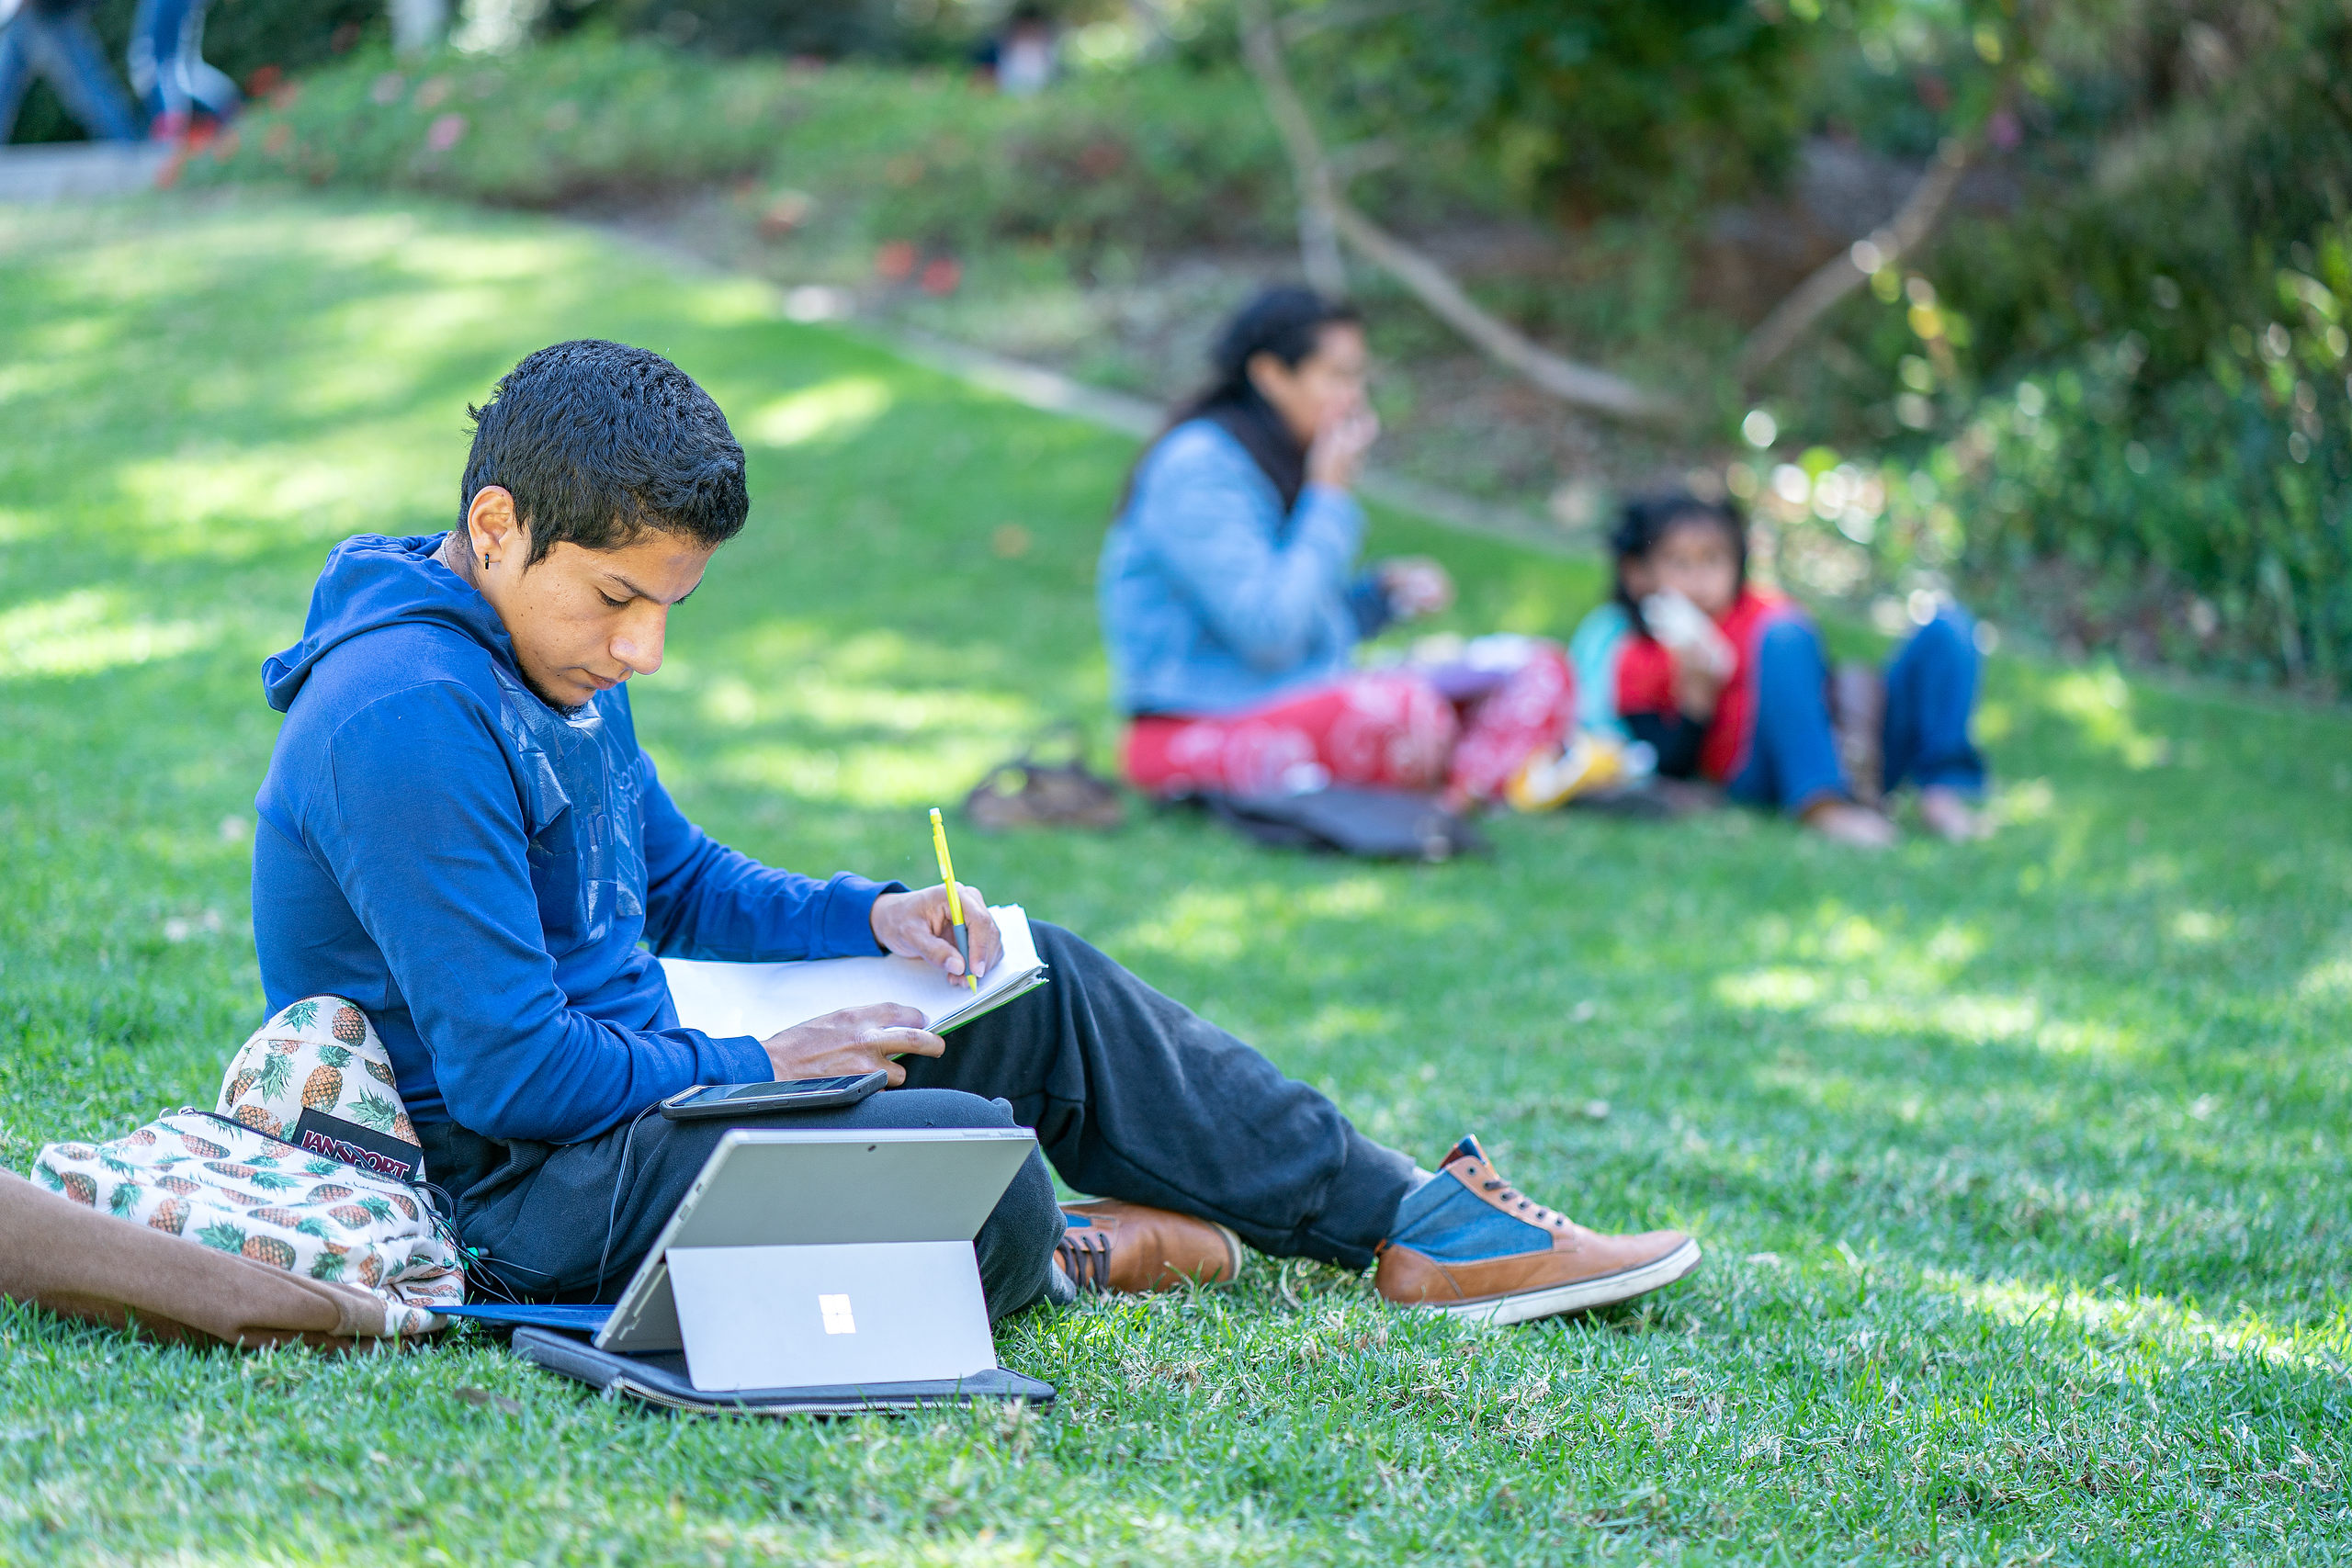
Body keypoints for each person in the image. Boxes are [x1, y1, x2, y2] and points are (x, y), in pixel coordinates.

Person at [250, 339, 1702, 1328]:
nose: (644, 653)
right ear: (496, 526)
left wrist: (873, 917)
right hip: (523, 1189)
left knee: (1029, 977)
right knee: (976, 1155)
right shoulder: (404, 712)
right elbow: (510, 1074)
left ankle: (1418, 1218)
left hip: (647, 1097)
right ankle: (1060, 1243)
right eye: (619, 601)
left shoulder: (547, 655)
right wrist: (766, 1062)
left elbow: (674, 879)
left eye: (672, 609)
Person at [1100, 287, 1597, 814]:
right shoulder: (1199, 468)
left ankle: (1458, 795)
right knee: (1402, 713)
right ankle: (1468, 778)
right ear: (1270, 375)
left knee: (1537, 668)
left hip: (1305, 699)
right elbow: (1268, 632)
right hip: (1196, 725)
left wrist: (1376, 600)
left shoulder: (1282, 458)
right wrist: (1329, 498)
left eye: (1359, 377)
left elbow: (1303, 634)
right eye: (1338, 376)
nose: (1355, 397)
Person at [1570, 491, 1987, 845]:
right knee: (1785, 635)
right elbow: (1662, 767)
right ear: (1638, 574)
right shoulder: (1637, 652)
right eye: (1680, 563)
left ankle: (1942, 790)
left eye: (1714, 560)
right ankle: (1820, 804)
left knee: (1948, 629)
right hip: (1756, 771)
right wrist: (1696, 700)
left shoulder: (1763, 614)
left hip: (1850, 747)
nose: (1699, 579)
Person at [0, 0, 142, 144]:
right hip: (30, 16)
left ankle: (126, 145)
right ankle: (125, 144)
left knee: (91, 91)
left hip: (48, 16)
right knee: (91, 90)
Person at [127, 0, 236, 142]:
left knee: (227, 105)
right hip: (157, 78)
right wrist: (173, 112)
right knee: (175, 128)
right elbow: (164, 62)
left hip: (170, 72)